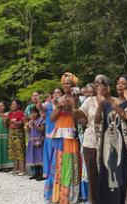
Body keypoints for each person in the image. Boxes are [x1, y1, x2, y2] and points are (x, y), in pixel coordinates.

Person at [96, 74, 127, 204]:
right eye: (118, 83)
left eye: (123, 83)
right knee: (109, 171)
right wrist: (101, 104)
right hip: (109, 142)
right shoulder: (108, 103)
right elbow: (98, 122)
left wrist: (109, 98)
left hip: (125, 146)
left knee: (123, 178)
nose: (119, 85)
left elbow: (125, 117)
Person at [73, 75, 112, 204]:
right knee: (92, 176)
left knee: (108, 175)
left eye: (99, 83)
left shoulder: (113, 101)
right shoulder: (89, 101)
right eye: (94, 83)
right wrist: (74, 101)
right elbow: (81, 118)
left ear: (106, 85)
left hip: (108, 143)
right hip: (90, 142)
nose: (96, 85)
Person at [44, 72, 81, 203]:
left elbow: (79, 118)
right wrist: (59, 108)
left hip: (71, 135)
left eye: (68, 83)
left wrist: (72, 107)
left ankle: (70, 197)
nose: (66, 85)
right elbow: (52, 118)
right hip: (59, 135)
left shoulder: (77, 98)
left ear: (73, 85)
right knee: (58, 163)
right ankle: (57, 196)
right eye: (64, 83)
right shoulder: (59, 99)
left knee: (71, 163)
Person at [7, 100, 26, 175]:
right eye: (12, 104)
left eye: (14, 104)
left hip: (19, 134)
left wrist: (15, 123)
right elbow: (8, 123)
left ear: (18, 105)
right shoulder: (10, 114)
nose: (12, 105)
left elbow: (21, 123)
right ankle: (15, 168)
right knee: (13, 150)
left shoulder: (21, 113)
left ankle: (22, 169)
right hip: (11, 133)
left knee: (20, 149)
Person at [26, 107, 45, 181]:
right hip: (32, 141)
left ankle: (42, 174)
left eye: (34, 112)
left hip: (39, 141)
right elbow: (29, 131)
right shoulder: (31, 121)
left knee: (40, 157)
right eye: (31, 113)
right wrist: (28, 127)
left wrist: (35, 126)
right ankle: (36, 173)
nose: (33, 114)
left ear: (38, 113)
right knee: (34, 157)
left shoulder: (41, 120)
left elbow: (42, 130)